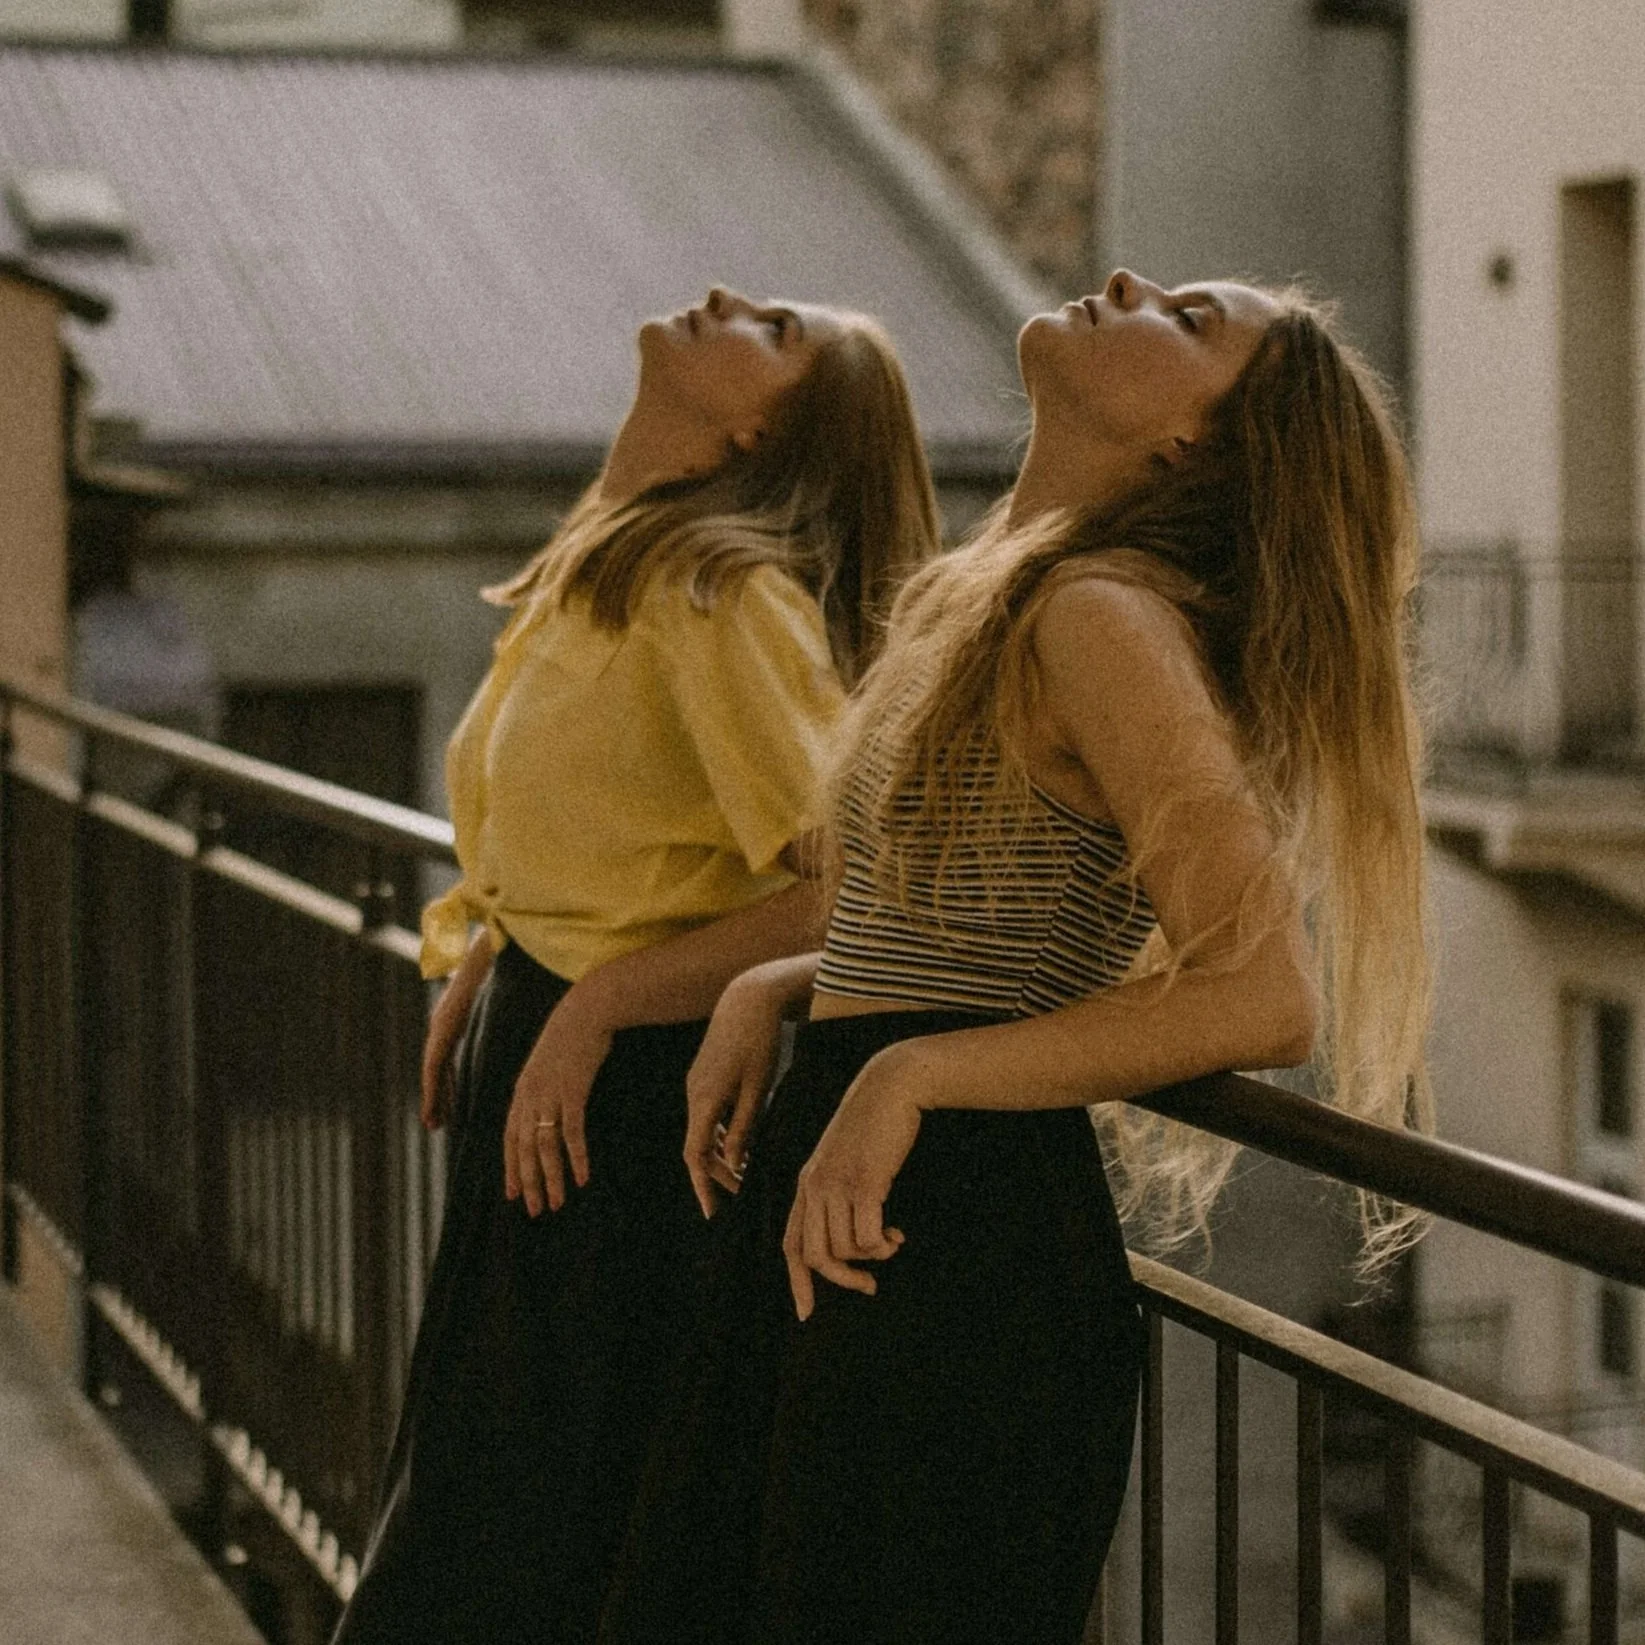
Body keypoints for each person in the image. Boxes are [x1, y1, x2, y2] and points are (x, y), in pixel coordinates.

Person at [599, 270, 1432, 1645]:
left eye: (1188, 320)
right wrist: (784, 986)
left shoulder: (1102, 618)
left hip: (954, 1244)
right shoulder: (1008, 593)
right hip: (882, 1197)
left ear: (1191, 450)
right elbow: (979, 922)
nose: (1126, 284)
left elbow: (1268, 994)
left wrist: (905, 1074)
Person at [331, 286, 940, 1645]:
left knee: (527, 1534)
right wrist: (504, 948)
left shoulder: (716, 596)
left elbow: (852, 898)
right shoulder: (621, 563)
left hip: (634, 1098)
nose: (732, 299)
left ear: (757, 440)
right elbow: (615, 826)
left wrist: (597, 998)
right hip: (560, 1068)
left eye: (777, 333)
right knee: (492, 1506)